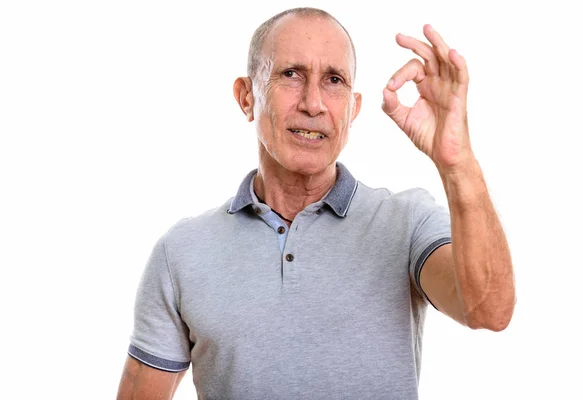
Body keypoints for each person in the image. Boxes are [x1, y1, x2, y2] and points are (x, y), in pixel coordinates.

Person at [116, 7, 515, 400]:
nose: (314, 103)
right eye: (291, 74)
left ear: (353, 109)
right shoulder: (182, 251)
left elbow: (489, 311)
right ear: (246, 97)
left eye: (334, 80)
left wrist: (457, 161)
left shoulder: (407, 222)